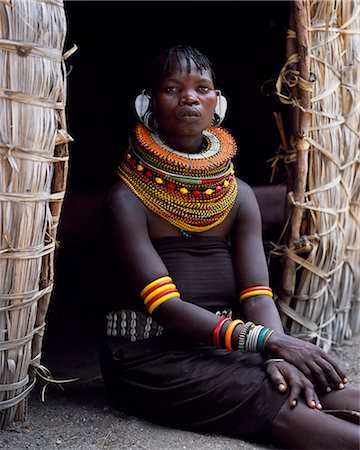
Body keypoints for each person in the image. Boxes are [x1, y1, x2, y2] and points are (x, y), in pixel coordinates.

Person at [100, 45, 360, 449]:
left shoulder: (237, 195)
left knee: (320, 382)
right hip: (150, 359)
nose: (190, 97)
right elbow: (165, 307)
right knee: (285, 397)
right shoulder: (127, 198)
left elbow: (256, 294)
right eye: (173, 88)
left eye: (202, 88)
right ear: (147, 104)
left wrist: (278, 354)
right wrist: (269, 342)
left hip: (228, 347)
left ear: (217, 102)